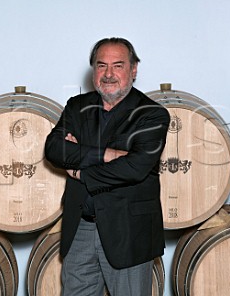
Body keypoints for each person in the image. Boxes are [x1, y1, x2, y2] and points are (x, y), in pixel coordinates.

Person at [44, 37, 170, 296]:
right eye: (101, 66)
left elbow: (135, 167)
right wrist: (109, 154)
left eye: (118, 66)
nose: (109, 74)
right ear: (93, 71)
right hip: (81, 227)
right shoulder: (77, 106)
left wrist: (80, 169)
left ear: (134, 70)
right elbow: (54, 149)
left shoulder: (151, 114)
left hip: (128, 232)